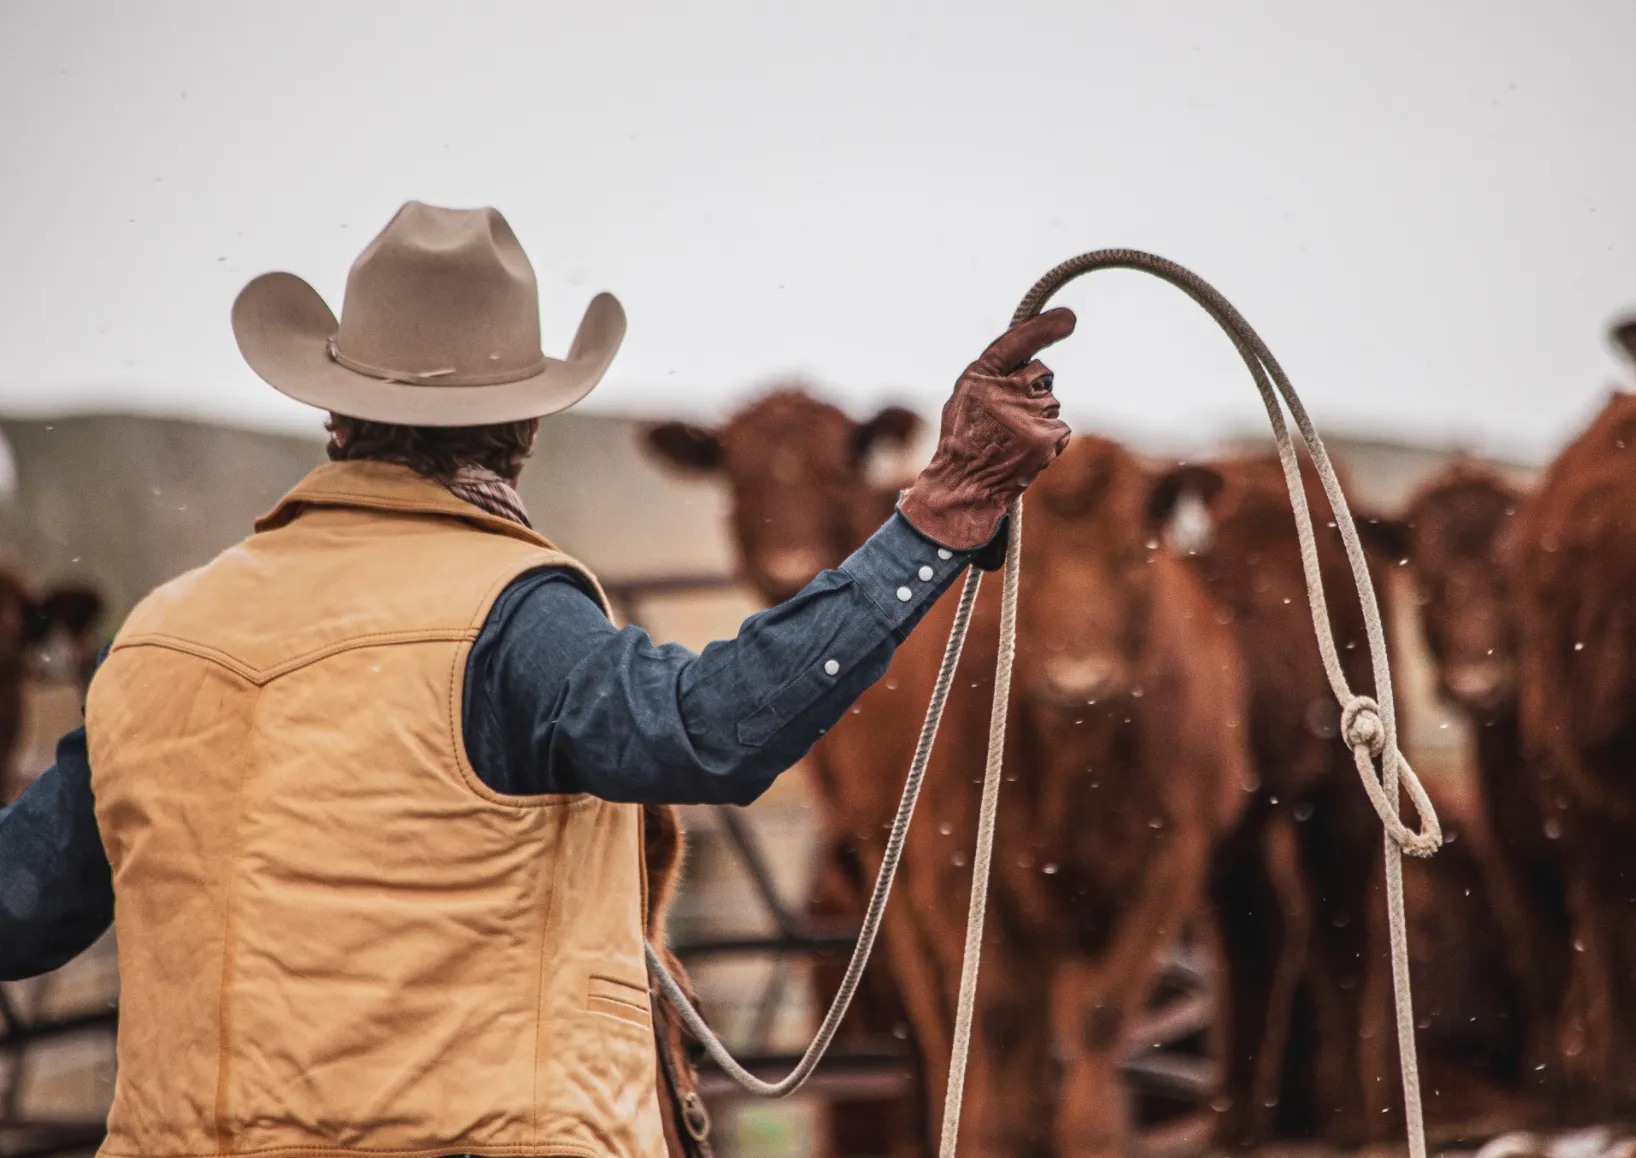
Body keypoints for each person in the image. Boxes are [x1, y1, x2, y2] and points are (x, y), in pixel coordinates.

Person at [0, 202, 1074, 1158]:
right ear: (524, 428)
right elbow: (711, 731)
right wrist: (937, 512)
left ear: (333, 415)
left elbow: (18, 914)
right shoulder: (510, 618)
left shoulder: (157, 644)